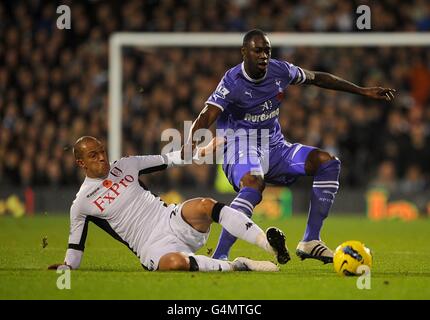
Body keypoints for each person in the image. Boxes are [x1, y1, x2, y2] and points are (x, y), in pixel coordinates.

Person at [183, 29, 396, 263]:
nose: (264, 55)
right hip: (239, 146)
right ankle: (221, 254)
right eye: (257, 50)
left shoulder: (280, 70)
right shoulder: (232, 81)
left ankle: (310, 240)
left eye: (267, 50)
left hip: (275, 148)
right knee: (253, 184)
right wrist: (191, 139)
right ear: (244, 52)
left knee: (328, 163)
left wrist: (361, 90)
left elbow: (317, 78)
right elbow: (207, 114)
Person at [48, 136, 290, 272]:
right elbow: (75, 249)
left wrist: (202, 151)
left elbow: (170, 159)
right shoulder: (82, 204)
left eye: (102, 151)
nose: (102, 157)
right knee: (174, 264)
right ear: (81, 164)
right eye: (94, 155)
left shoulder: (125, 165)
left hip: (171, 219)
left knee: (205, 205)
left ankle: (269, 245)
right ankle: (237, 266)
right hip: (150, 246)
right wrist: (66, 268)